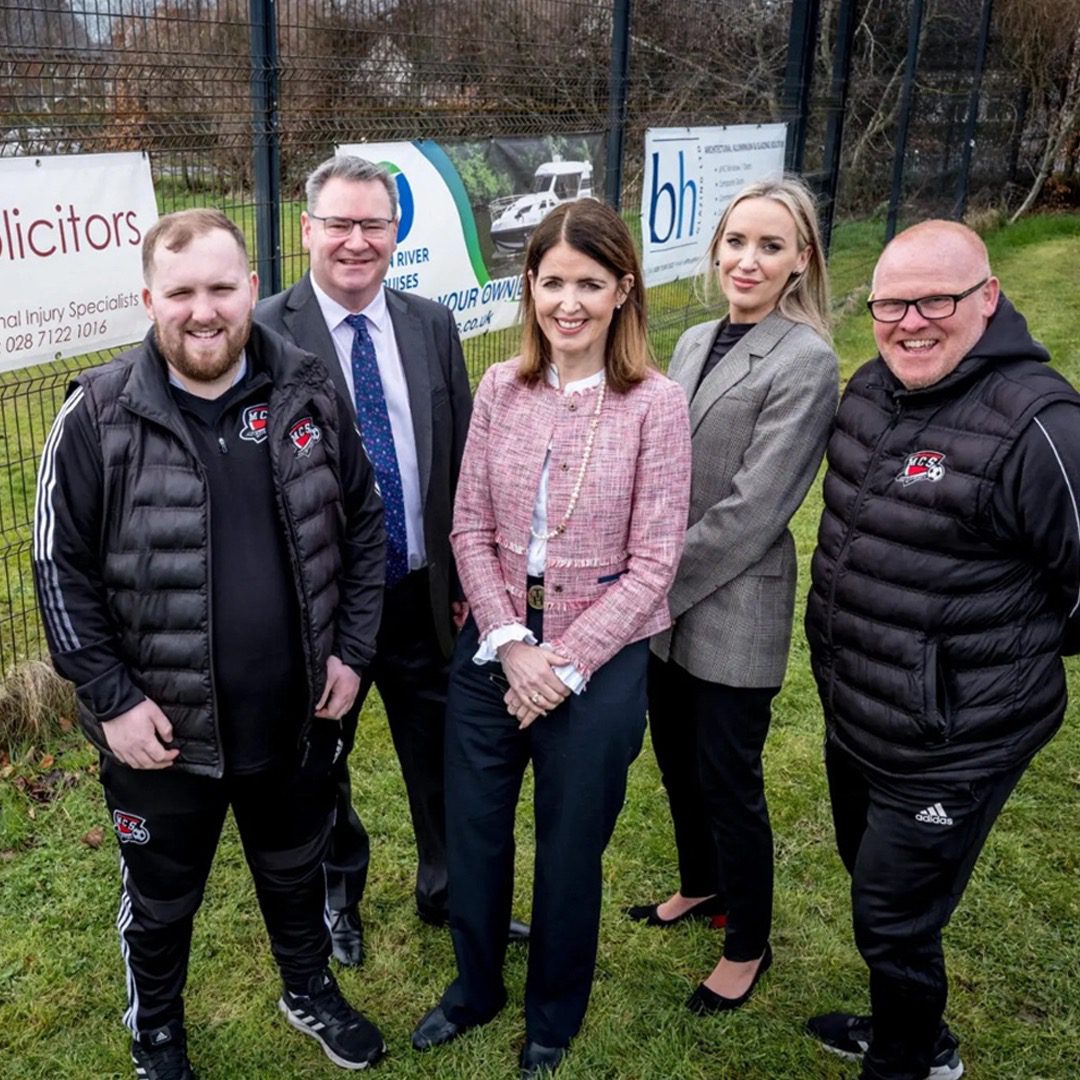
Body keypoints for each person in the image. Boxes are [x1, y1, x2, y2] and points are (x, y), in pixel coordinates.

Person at [32, 208, 389, 1078]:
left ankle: (306, 988)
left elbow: (367, 523)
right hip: (161, 737)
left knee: (294, 869)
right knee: (161, 901)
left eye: (222, 288)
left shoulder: (306, 386)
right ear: (148, 297)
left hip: (295, 715)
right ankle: (156, 1031)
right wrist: (112, 701)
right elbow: (56, 568)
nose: (204, 311)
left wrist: (350, 651)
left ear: (252, 290)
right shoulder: (97, 413)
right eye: (182, 291)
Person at [409, 200, 692, 1077]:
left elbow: (654, 565)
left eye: (590, 284)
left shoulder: (655, 404)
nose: (569, 302)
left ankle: (553, 1013)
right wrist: (508, 638)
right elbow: (467, 529)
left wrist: (563, 661)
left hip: (599, 653)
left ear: (622, 292)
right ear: (528, 287)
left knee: (571, 844)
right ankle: (474, 987)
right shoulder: (501, 387)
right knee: (478, 826)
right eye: (553, 282)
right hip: (496, 641)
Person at [804, 220, 1080, 1080]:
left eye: (936, 301)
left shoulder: (1043, 426)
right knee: (875, 886)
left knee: (892, 917)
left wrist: (975, 671)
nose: (910, 322)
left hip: (953, 739)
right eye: (891, 304)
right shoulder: (868, 389)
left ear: (988, 298)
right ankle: (918, 1035)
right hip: (859, 713)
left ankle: (909, 1064)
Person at [256, 155, 526, 964]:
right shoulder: (263, 335)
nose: (355, 241)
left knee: (443, 754)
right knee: (321, 763)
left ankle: (448, 889)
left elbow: (462, 462)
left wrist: (463, 573)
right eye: (338, 223)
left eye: (373, 224)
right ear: (307, 230)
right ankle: (339, 895)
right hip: (320, 605)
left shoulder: (431, 323)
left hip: (422, 592)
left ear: (395, 231)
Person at [629, 176, 839, 1013]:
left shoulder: (807, 360)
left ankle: (748, 942)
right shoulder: (693, 340)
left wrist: (646, 584)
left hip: (731, 603)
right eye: (736, 242)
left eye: (770, 246)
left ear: (800, 262)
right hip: (665, 609)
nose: (747, 260)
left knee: (727, 776)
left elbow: (756, 508)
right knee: (676, 762)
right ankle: (702, 886)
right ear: (714, 249)